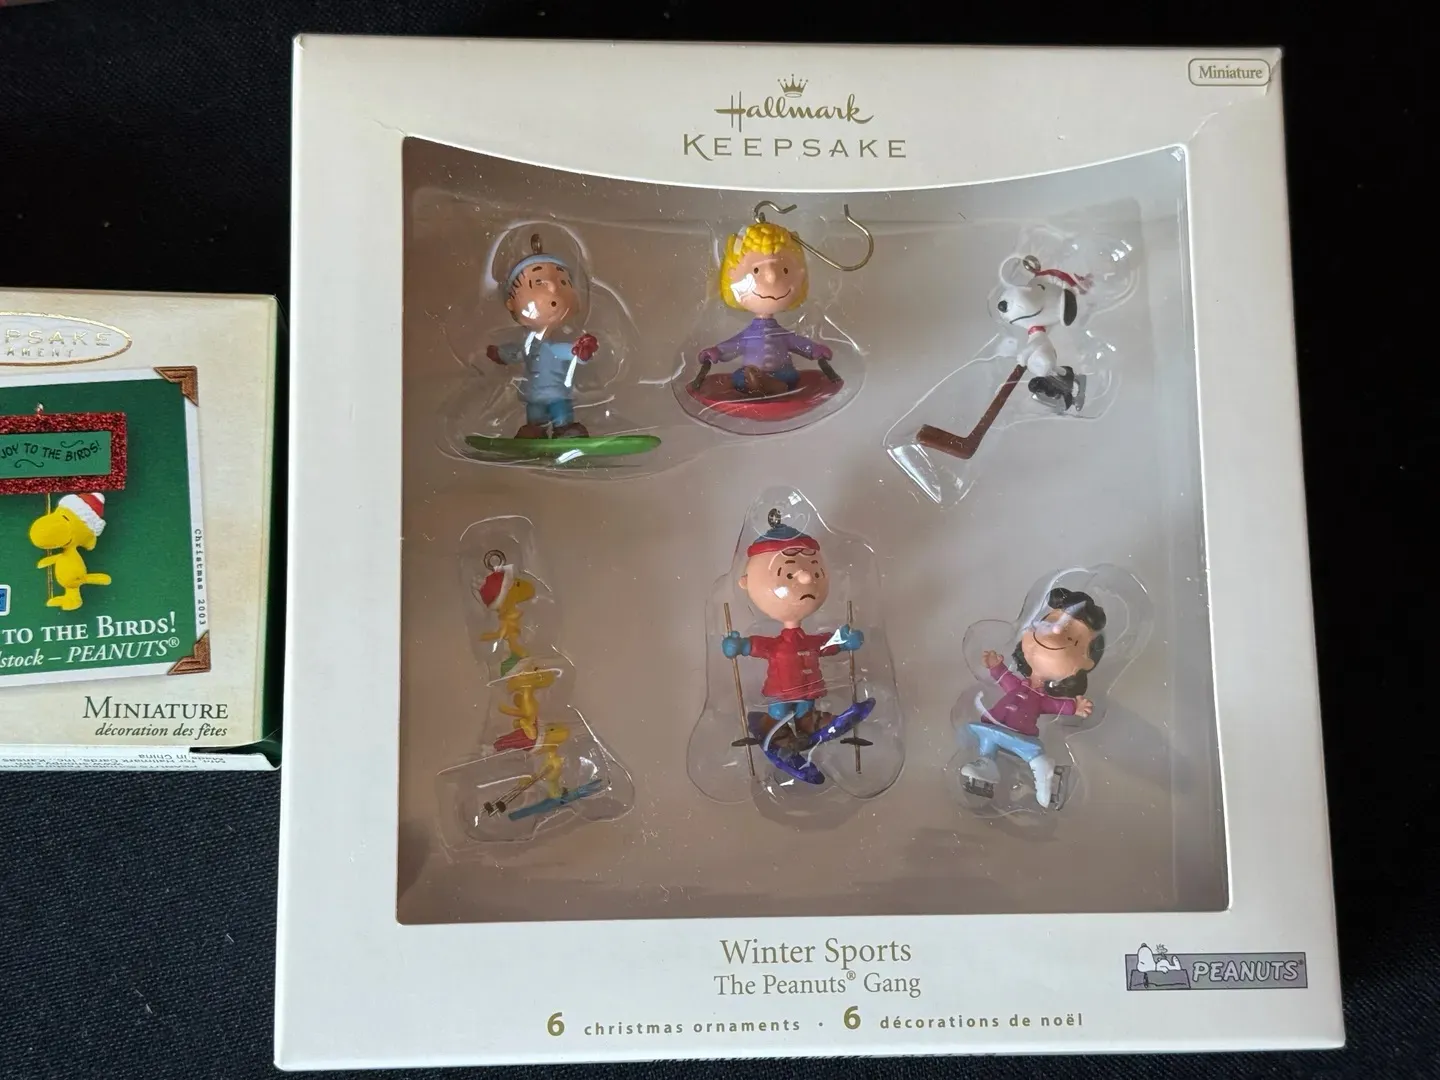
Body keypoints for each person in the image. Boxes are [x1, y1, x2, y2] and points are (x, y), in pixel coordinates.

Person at [960, 586, 1106, 808]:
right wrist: (995, 666)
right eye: (1050, 622)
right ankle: (986, 765)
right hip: (993, 726)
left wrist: (1074, 707)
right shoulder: (1018, 685)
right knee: (986, 746)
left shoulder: (1041, 699)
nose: (1055, 631)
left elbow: (1054, 705)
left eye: (1070, 637)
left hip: (1021, 735)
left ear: (1085, 664)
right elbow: (1005, 679)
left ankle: (1042, 768)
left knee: (1031, 752)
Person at [698, 221, 833, 397]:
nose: (771, 276)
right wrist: (717, 352)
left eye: (785, 270)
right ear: (732, 275)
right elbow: (734, 345)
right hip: (751, 373)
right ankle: (766, 385)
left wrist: (814, 349)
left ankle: (764, 384)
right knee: (740, 376)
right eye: (756, 270)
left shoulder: (782, 335)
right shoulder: (748, 335)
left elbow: (797, 342)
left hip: (783, 374)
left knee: (789, 375)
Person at [486, 235, 598, 438]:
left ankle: (564, 429)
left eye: (563, 282)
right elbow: (515, 353)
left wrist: (583, 351)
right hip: (534, 396)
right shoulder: (528, 347)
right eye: (538, 282)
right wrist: (499, 353)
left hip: (558, 395)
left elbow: (573, 354)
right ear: (511, 303)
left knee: (561, 415)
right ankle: (535, 431)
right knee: (535, 418)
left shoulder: (556, 347)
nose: (553, 288)